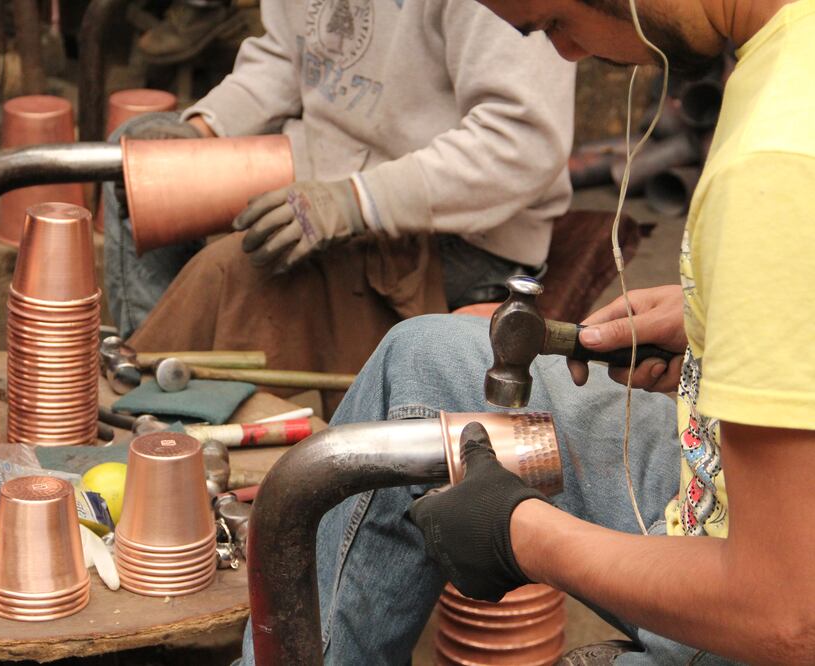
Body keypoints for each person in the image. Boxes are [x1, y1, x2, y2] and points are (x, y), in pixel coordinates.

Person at [237, 0, 815, 663]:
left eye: (550, 22)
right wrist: (720, 324)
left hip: (760, 600)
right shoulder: (789, 53)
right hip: (731, 504)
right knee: (425, 360)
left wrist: (519, 534)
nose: (563, 55)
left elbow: (787, 618)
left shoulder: (774, 160)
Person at [104, 0, 575, 402]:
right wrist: (202, 131)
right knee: (138, 168)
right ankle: (151, 379)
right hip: (324, 176)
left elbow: (520, 140)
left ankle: (167, 395)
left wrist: (353, 201)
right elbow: (283, 59)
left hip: (458, 228)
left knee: (237, 270)